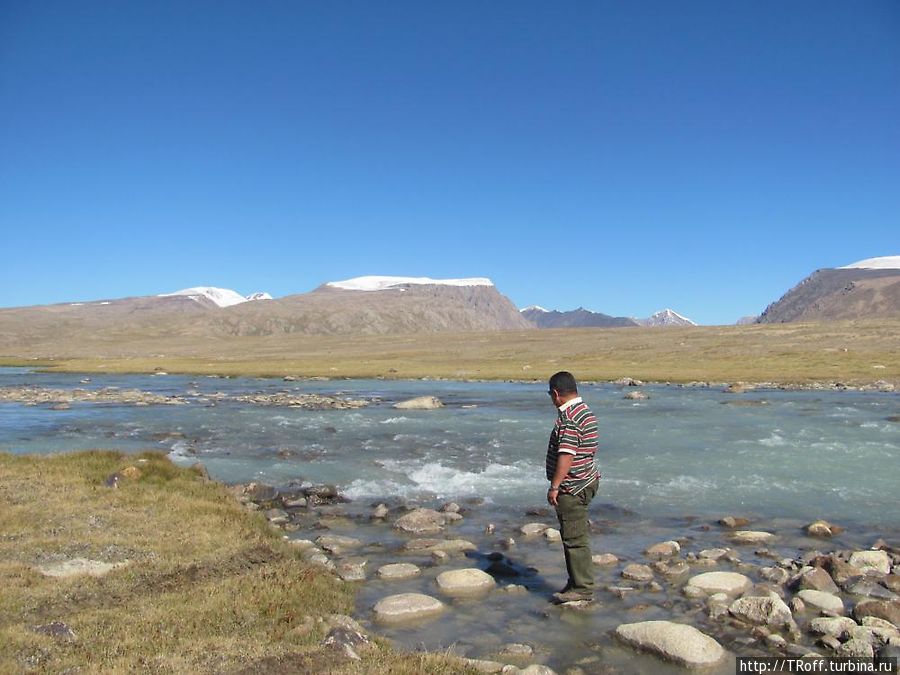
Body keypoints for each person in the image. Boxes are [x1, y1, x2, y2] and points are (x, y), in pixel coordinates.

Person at [544, 371, 600, 603]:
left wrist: (555, 486)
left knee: (574, 538)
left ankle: (583, 588)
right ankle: (574, 581)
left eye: (550, 395)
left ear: (556, 394)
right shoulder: (585, 411)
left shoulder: (569, 418)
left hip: (572, 487)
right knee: (573, 534)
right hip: (587, 479)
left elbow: (566, 455)